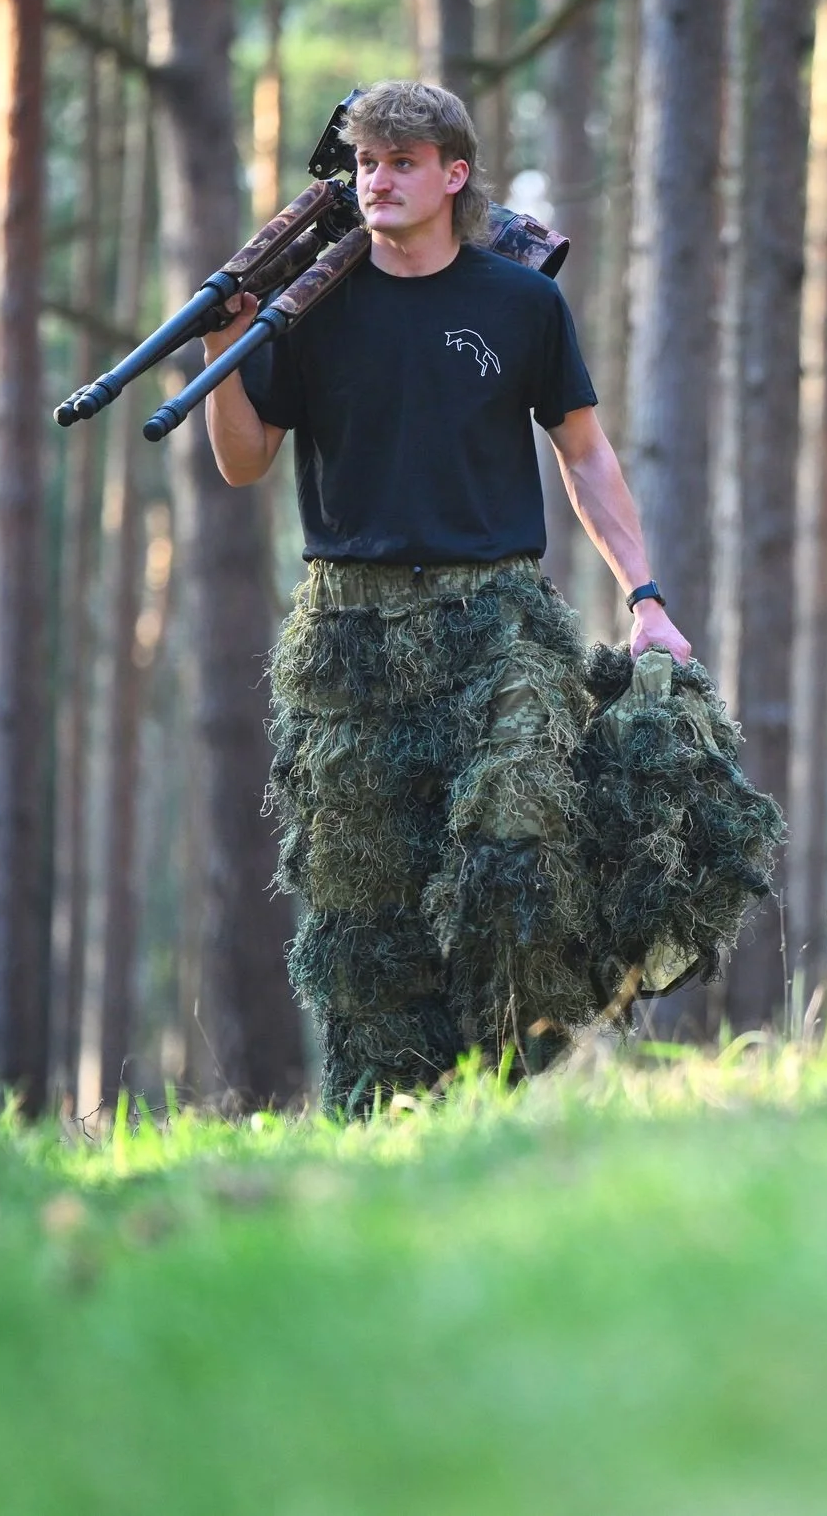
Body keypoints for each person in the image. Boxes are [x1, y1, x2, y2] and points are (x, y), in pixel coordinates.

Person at [199, 79, 777, 1111]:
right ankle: (385, 1121)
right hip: (347, 633)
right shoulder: (310, 304)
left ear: (452, 175)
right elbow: (244, 463)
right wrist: (221, 346)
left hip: (495, 618)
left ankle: (523, 1102)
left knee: (515, 851)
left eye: (402, 162)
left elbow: (586, 457)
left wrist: (644, 594)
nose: (377, 179)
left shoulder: (519, 302)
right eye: (367, 162)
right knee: (362, 908)